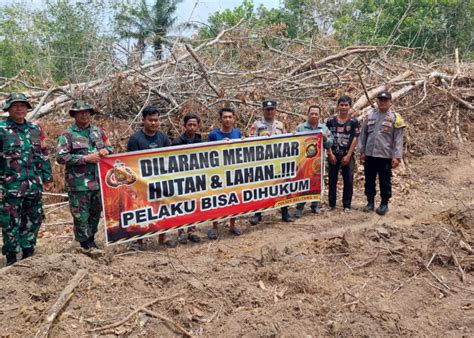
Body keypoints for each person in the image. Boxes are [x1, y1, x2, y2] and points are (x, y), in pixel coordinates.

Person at [0, 93, 52, 266]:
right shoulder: (1, 129)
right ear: (8, 108)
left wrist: (47, 176)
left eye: (23, 105)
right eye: (15, 105)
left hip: (33, 185)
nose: (19, 108)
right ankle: (12, 257)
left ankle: (29, 253)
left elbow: (43, 154)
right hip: (10, 186)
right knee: (10, 223)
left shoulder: (35, 129)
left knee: (34, 219)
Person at [56, 100, 113, 253]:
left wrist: (106, 151)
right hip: (78, 184)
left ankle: (91, 240)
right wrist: (85, 159)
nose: (84, 114)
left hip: (98, 181)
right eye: (80, 112)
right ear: (74, 115)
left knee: (95, 214)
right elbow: (61, 157)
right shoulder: (68, 134)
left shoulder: (98, 131)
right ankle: (84, 244)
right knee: (80, 216)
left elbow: (109, 147)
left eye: (87, 112)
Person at [127, 105, 177, 248]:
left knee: (162, 209)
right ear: (143, 120)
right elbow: (131, 162)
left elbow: (170, 158)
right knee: (142, 210)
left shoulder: (163, 137)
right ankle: (139, 241)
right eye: (150, 120)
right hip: (142, 183)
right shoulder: (135, 139)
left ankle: (163, 238)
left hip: (160, 181)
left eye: (156, 120)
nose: (153, 123)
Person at [358, 91, 405, 215]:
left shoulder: (395, 118)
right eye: (380, 100)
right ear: (377, 101)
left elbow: (398, 139)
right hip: (369, 155)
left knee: (384, 181)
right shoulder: (370, 115)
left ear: (390, 102)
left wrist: (397, 156)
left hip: (385, 156)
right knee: (369, 180)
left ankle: (384, 204)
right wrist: (362, 151)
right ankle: (370, 202)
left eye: (385, 100)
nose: (383, 102)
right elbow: (363, 135)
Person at [249, 99, 294, 225]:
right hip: (262, 161)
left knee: (282, 186)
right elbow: (249, 141)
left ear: (275, 110)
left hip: (278, 161)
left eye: (272, 109)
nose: (270, 111)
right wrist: (261, 137)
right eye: (267, 109)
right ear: (263, 110)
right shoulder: (257, 125)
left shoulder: (280, 124)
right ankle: (257, 214)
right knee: (261, 187)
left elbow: (286, 139)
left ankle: (284, 213)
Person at [207, 107, 242, 239]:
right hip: (218, 173)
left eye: (230, 117)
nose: (227, 119)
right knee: (216, 200)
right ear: (220, 119)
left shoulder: (237, 133)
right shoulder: (214, 135)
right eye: (225, 117)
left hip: (233, 172)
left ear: (234, 118)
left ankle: (232, 225)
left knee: (234, 199)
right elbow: (207, 153)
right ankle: (214, 227)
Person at [294, 105, 333, 218]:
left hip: (318, 162)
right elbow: (294, 143)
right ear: (308, 114)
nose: (314, 115)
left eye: (316, 114)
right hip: (304, 163)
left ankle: (315, 205)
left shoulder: (324, 128)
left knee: (317, 184)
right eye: (312, 113)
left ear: (320, 115)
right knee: (302, 184)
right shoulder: (301, 128)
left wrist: (325, 138)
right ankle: (300, 207)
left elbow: (330, 144)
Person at [326, 96, 360, 212]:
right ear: (338, 106)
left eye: (346, 105)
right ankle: (331, 204)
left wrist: (349, 155)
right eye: (342, 105)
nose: (344, 107)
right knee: (332, 180)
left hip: (347, 155)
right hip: (333, 154)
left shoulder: (354, 122)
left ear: (350, 107)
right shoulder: (330, 121)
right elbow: (326, 138)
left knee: (348, 180)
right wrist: (330, 154)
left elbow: (355, 138)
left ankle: (347, 205)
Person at [172, 113, 202, 244]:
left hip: (195, 178)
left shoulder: (200, 141)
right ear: (184, 126)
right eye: (189, 124)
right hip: (181, 178)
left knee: (193, 204)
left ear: (198, 126)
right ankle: (181, 232)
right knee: (181, 205)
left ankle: (192, 231)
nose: (192, 127)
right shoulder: (177, 142)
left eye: (194, 125)